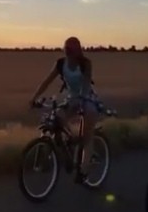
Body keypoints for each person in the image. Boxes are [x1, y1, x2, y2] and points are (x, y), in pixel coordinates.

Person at [29, 36, 100, 183]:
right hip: (72, 98)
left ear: (78, 50)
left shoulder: (85, 64)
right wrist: (34, 97)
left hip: (87, 98)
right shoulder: (61, 64)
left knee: (87, 135)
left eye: (71, 49)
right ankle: (70, 144)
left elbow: (86, 84)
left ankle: (84, 170)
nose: (68, 52)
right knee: (58, 118)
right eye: (66, 48)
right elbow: (47, 81)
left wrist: (81, 100)